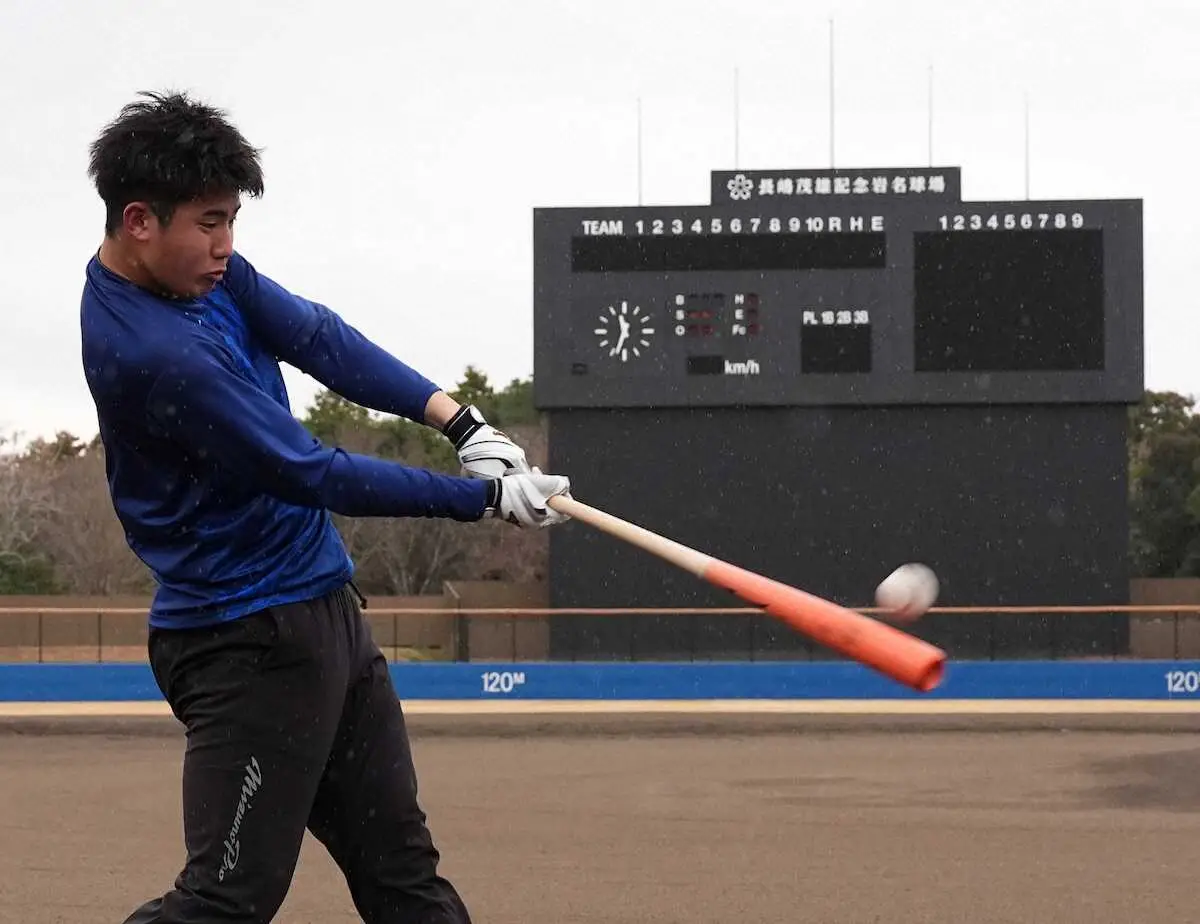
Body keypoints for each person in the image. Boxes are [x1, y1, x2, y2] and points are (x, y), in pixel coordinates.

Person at [80, 89, 572, 923]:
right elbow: (313, 472)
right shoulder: (156, 355)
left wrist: (461, 420)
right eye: (208, 222)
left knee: (403, 874)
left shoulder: (209, 275)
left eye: (232, 219)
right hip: (244, 640)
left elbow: (318, 338)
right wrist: (484, 498)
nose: (225, 246)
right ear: (138, 221)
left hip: (322, 615)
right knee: (227, 900)